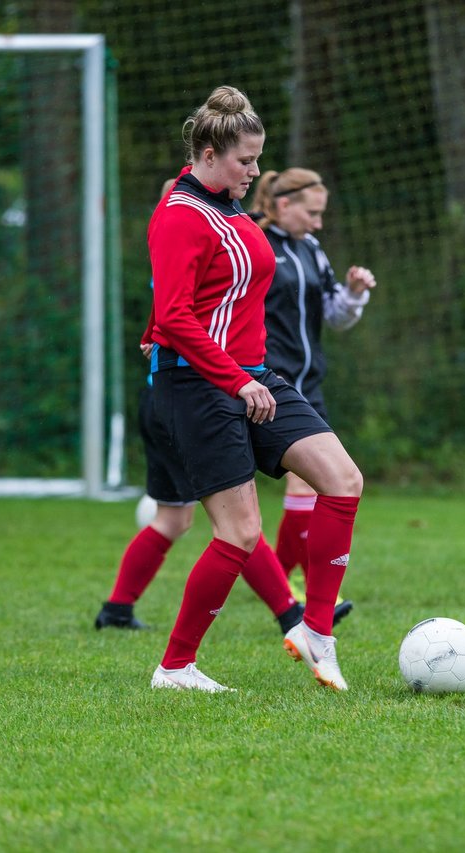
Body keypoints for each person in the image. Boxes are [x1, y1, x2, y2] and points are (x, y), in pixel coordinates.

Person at [145, 86, 363, 693]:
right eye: (246, 160)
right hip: (199, 387)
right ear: (210, 154)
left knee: (344, 481)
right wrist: (234, 379)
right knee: (239, 535)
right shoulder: (181, 215)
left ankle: (317, 630)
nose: (256, 171)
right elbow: (175, 314)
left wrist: (247, 376)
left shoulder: (230, 205)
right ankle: (175, 667)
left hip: (254, 376)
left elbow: (198, 297)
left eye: (259, 158)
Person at [96, 181, 322, 637]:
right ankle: (290, 615)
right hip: (188, 398)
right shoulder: (188, 227)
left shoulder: (190, 233)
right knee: (238, 522)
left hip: (166, 399)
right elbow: (176, 316)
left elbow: (166, 310)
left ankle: (117, 609)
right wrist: (238, 379)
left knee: (176, 519)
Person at [249, 168, 376, 605]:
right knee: (306, 487)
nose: (318, 223)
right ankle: (290, 590)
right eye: (313, 213)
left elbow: (336, 315)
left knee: (309, 488)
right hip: (266, 383)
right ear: (284, 205)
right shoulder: (254, 242)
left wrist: (355, 293)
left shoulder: (312, 250)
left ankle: (282, 585)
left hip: (309, 385)